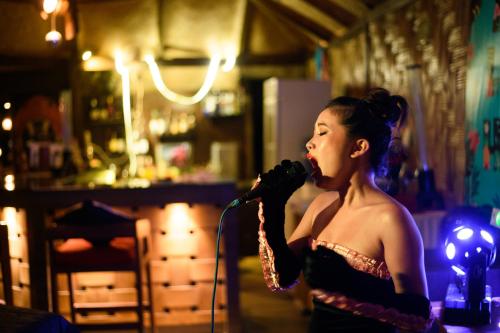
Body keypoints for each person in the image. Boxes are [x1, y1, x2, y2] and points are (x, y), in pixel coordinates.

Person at [256, 88, 436, 332]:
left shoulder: (390, 218)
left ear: (358, 147)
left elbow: (418, 318)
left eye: (322, 132)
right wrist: (273, 208)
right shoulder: (320, 206)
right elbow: (281, 279)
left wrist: (351, 284)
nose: (310, 142)